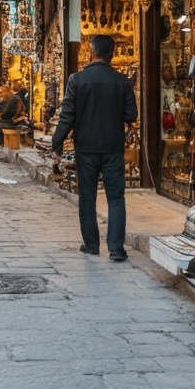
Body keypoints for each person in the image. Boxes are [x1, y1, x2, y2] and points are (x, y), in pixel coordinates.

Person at [51, 35, 138, 262]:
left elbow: (67, 115)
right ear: (112, 54)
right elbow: (131, 115)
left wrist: (57, 144)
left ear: (91, 52)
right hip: (113, 148)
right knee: (116, 198)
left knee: (87, 197)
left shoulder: (77, 80)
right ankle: (116, 248)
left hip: (86, 148)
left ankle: (91, 245)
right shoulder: (122, 81)